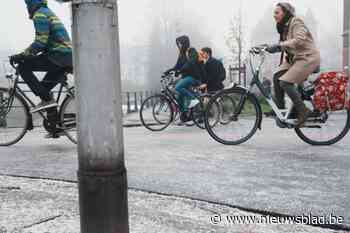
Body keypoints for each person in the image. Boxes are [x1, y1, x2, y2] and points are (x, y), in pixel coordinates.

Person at [10, 0, 73, 114]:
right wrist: (28, 54)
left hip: (58, 56)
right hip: (66, 57)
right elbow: (47, 42)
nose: (27, 7)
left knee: (23, 67)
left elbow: (40, 43)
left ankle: (48, 100)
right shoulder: (47, 11)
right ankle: (55, 126)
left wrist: (22, 56)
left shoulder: (39, 14)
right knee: (44, 90)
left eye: (27, 4)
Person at [265, 2, 320, 127]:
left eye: (277, 12)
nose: (274, 15)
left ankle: (303, 111)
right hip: (294, 59)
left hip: (307, 58)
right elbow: (286, 44)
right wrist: (268, 47)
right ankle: (281, 110)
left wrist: (280, 45)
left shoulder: (296, 22)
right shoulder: (284, 27)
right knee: (276, 76)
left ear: (285, 13)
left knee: (284, 82)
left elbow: (299, 40)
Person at [175, 48, 206, 123]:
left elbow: (186, 67)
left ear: (190, 53)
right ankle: (184, 114)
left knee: (178, 87)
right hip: (194, 79)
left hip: (194, 79)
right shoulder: (197, 59)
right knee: (180, 95)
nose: (187, 55)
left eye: (188, 53)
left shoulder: (193, 59)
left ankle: (193, 99)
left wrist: (179, 71)